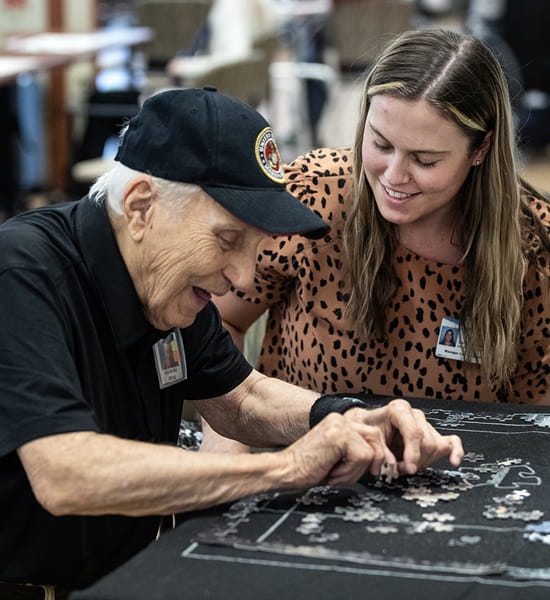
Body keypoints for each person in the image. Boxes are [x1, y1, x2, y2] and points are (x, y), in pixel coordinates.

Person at [0, 87, 463, 598]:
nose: (241, 276)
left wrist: (347, 416)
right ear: (140, 208)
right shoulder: (21, 273)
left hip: (118, 574)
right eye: (227, 239)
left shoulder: (166, 283)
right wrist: (284, 467)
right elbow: (67, 475)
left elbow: (240, 398)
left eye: (256, 245)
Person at [215, 29, 550, 410]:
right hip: (305, 459)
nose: (393, 176)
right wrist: (229, 453)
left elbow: (534, 417)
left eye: (425, 160)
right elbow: (222, 325)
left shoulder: (534, 248)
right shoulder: (315, 196)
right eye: (381, 144)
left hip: (467, 467)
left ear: (481, 149)